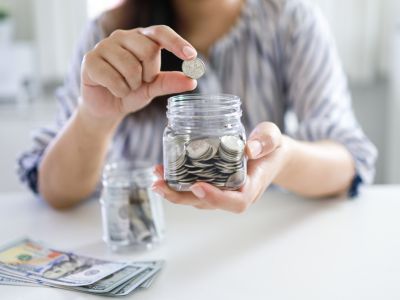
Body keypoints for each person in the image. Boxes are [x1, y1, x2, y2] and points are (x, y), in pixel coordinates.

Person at [18, 0, 377, 212]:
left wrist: (281, 158)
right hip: (142, 239)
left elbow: (349, 163)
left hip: (257, 244)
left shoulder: (290, 20)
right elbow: (56, 192)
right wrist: (95, 117)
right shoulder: (110, 35)